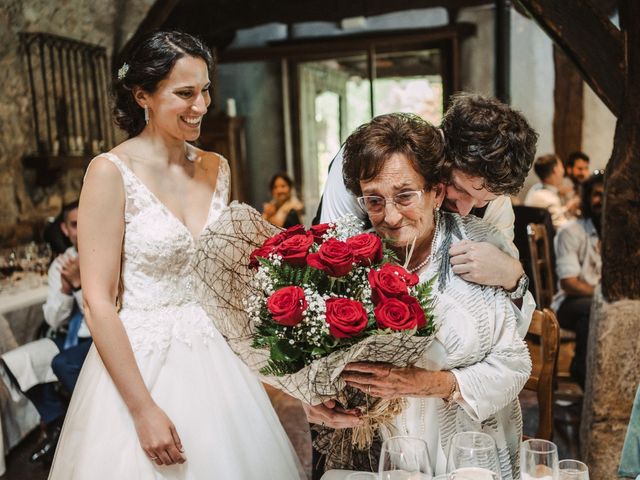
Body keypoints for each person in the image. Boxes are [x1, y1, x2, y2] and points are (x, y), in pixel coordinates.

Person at [48, 31, 301, 479]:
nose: (201, 106)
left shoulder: (215, 167)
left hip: (218, 362)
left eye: (205, 90)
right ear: (143, 94)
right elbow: (98, 301)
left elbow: (228, 279)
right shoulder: (109, 173)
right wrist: (143, 409)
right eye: (185, 93)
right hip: (142, 362)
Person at [304, 114, 531, 479]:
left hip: (467, 453)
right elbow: (314, 354)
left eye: (406, 196)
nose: (390, 216)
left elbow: (515, 363)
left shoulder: (481, 245)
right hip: (381, 456)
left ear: (437, 191)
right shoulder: (350, 257)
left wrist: (430, 384)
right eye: (375, 201)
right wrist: (310, 395)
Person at [315, 93, 537, 334]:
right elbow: (333, 255)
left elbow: (511, 308)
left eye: (483, 201)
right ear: (441, 151)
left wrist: (513, 276)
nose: (465, 210)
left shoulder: (490, 192)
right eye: (459, 189)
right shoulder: (367, 163)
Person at [0, 201, 92, 465]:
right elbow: (53, 318)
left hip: (96, 336)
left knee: (60, 363)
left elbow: (102, 313)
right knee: (14, 362)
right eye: (74, 224)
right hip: (67, 335)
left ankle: (83, 425)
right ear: (65, 229)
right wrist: (65, 288)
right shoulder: (59, 264)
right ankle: (58, 423)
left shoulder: (101, 256)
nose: (80, 228)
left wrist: (78, 286)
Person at [551, 172, 604, 389]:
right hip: (568, 304)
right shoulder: (571, 232)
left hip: (600, 301)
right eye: (597, 194)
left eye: (609, 194)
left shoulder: (616, 234)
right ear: (587, 198)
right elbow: (569, 283)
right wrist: (603, 295)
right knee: (592, 309)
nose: (603, 200)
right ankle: (582, 373)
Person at [525, 153, 580, 229]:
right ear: (555, 170)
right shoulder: (549, 198)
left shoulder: (534, 189)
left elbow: (549, 215)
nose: (563, 171)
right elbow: (563, 228)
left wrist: (566, 209)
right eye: (561, 167)